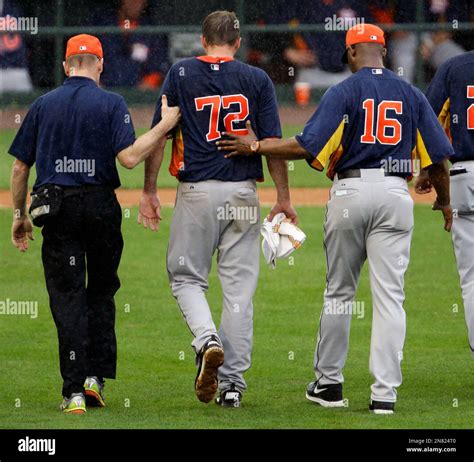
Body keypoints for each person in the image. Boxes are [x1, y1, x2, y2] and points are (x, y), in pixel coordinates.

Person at [217, 23, 453, 414]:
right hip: (396, 194)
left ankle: (328, 385)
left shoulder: (344, 90)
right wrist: (445, 203)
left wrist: (255, 145)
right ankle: (384, 395)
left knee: (341, 293)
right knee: (391, 297)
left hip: (351, 193)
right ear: (383, 53)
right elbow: (439, 159)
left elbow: (304, 144)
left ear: (351, 53)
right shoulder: (411, 92)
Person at [8, 34, 180, 414]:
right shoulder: (112, 103)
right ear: (100, 64)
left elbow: (21, 167)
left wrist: (19, 216)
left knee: (67, 299)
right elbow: (131, 159)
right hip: (101, 206)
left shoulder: (42, 104)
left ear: (65, 65)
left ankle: (72, 394)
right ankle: (94, 379)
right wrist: (165, 125)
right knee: (101, 292)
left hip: (56, 209)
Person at [138, 10, 296, 408]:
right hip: (243, 194)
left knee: (186, 278)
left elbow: (160, 137)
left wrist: (150, 190)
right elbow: (273, 143)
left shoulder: (181, 73)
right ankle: (232, 388)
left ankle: (207, 339)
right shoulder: (256, 78)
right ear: (237, 42)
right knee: (239, 292)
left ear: (203, 40)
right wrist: (283, 197)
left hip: (196, 192)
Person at [416, 51, 474, 357]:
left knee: (472, 276)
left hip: (466, 175)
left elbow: (428, 120)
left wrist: (428, 169)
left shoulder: (455, 66)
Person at [94, 0, 169, 89]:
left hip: (139, 97)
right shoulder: (103, 27)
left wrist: (144, 88)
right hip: (105, 93)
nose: (135, 4)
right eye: (131, 1)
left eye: (139, 1)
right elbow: (87, 62)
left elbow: (159, 68)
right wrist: (96, 86)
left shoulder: (151, 31)